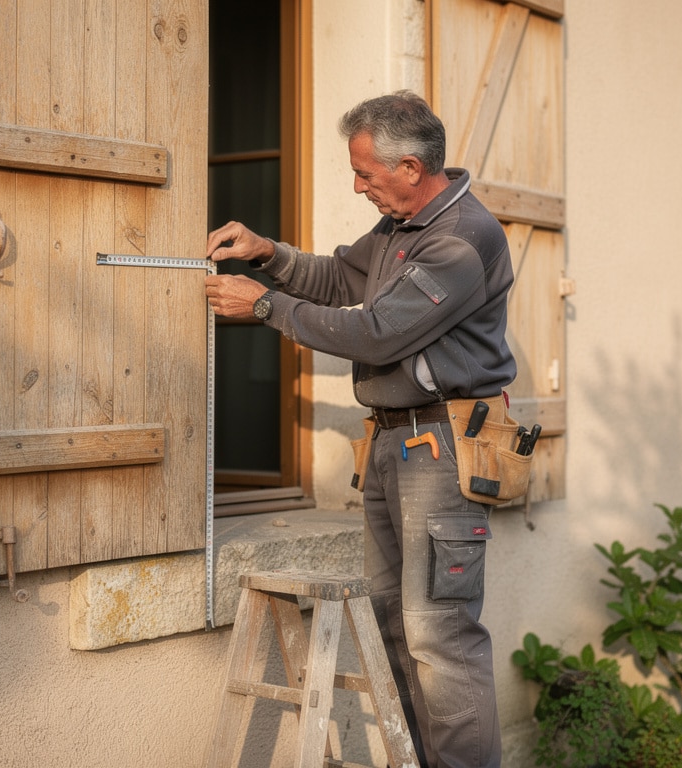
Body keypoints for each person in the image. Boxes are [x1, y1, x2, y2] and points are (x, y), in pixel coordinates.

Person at [204, 90, 513, 768]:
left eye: (366, 173)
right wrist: (268, 254)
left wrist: (264, 306)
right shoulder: (403, 227)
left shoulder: (461, 239)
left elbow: (375, 334)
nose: (357, 185)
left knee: (441, 638)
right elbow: (343, 277)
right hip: (392, 443)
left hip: (442, 448)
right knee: (396, 628)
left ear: (409, 167)